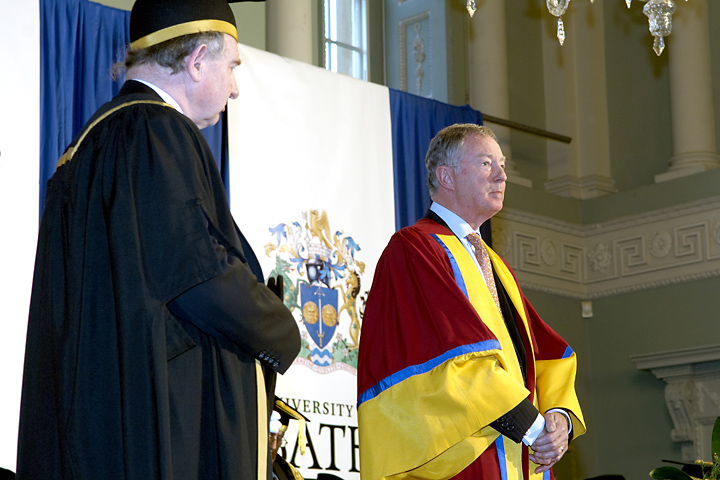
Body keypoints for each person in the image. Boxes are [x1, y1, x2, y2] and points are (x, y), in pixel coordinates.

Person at [16, 0, 301, 479]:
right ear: (197, 61)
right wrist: (279, 330)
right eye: (232, 67)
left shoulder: (83, 148)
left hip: (94, 422)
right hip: (159, 426)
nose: (234, 88)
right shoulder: (158, 132)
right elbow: (199, 275)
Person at [356, 124, 585, 480]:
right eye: (486, 163)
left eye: (502, 165)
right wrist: (534, 428)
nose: (502, 175)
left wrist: (559, 418)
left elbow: (539, 352)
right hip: (464, 458)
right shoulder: (415, 248)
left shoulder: (495, 265)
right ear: (446, 177)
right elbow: (454, 355)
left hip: (516, 448)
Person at [270, 398, 308, 480]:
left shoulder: (287, 472)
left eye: (279, 438)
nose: (274, 446)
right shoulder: (244, 466)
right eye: (270, 437)